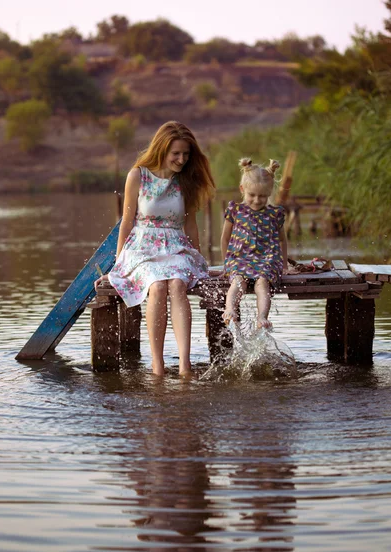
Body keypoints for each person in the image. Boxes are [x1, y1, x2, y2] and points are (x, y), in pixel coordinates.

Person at [95, 121, 215, 377]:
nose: (182, 159)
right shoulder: (138, 175)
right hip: (142, 247)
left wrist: (199, 259)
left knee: (177, 285)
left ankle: (185, 365)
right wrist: (118, 266)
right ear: (162, 150)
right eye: (176, 154)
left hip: (175, 246)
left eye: (186, 154)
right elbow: (127, 222)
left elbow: (191, 225)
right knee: (158, 286)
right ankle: (157, 365)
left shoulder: (186, 181)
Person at [220, 157, 288, 330]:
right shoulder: (236, 210)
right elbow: (225, 238)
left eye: (263, 196)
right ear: (242, 189)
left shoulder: (275, 213)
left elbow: (282, 240)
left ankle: (262, 317)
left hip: (266, 259)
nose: (257, 200)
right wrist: (226, 264)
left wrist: (284, 264)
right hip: (240, 258)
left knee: (262, 282)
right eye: (252, 195)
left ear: (270, 193)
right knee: (238, 281)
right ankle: (230, 309)